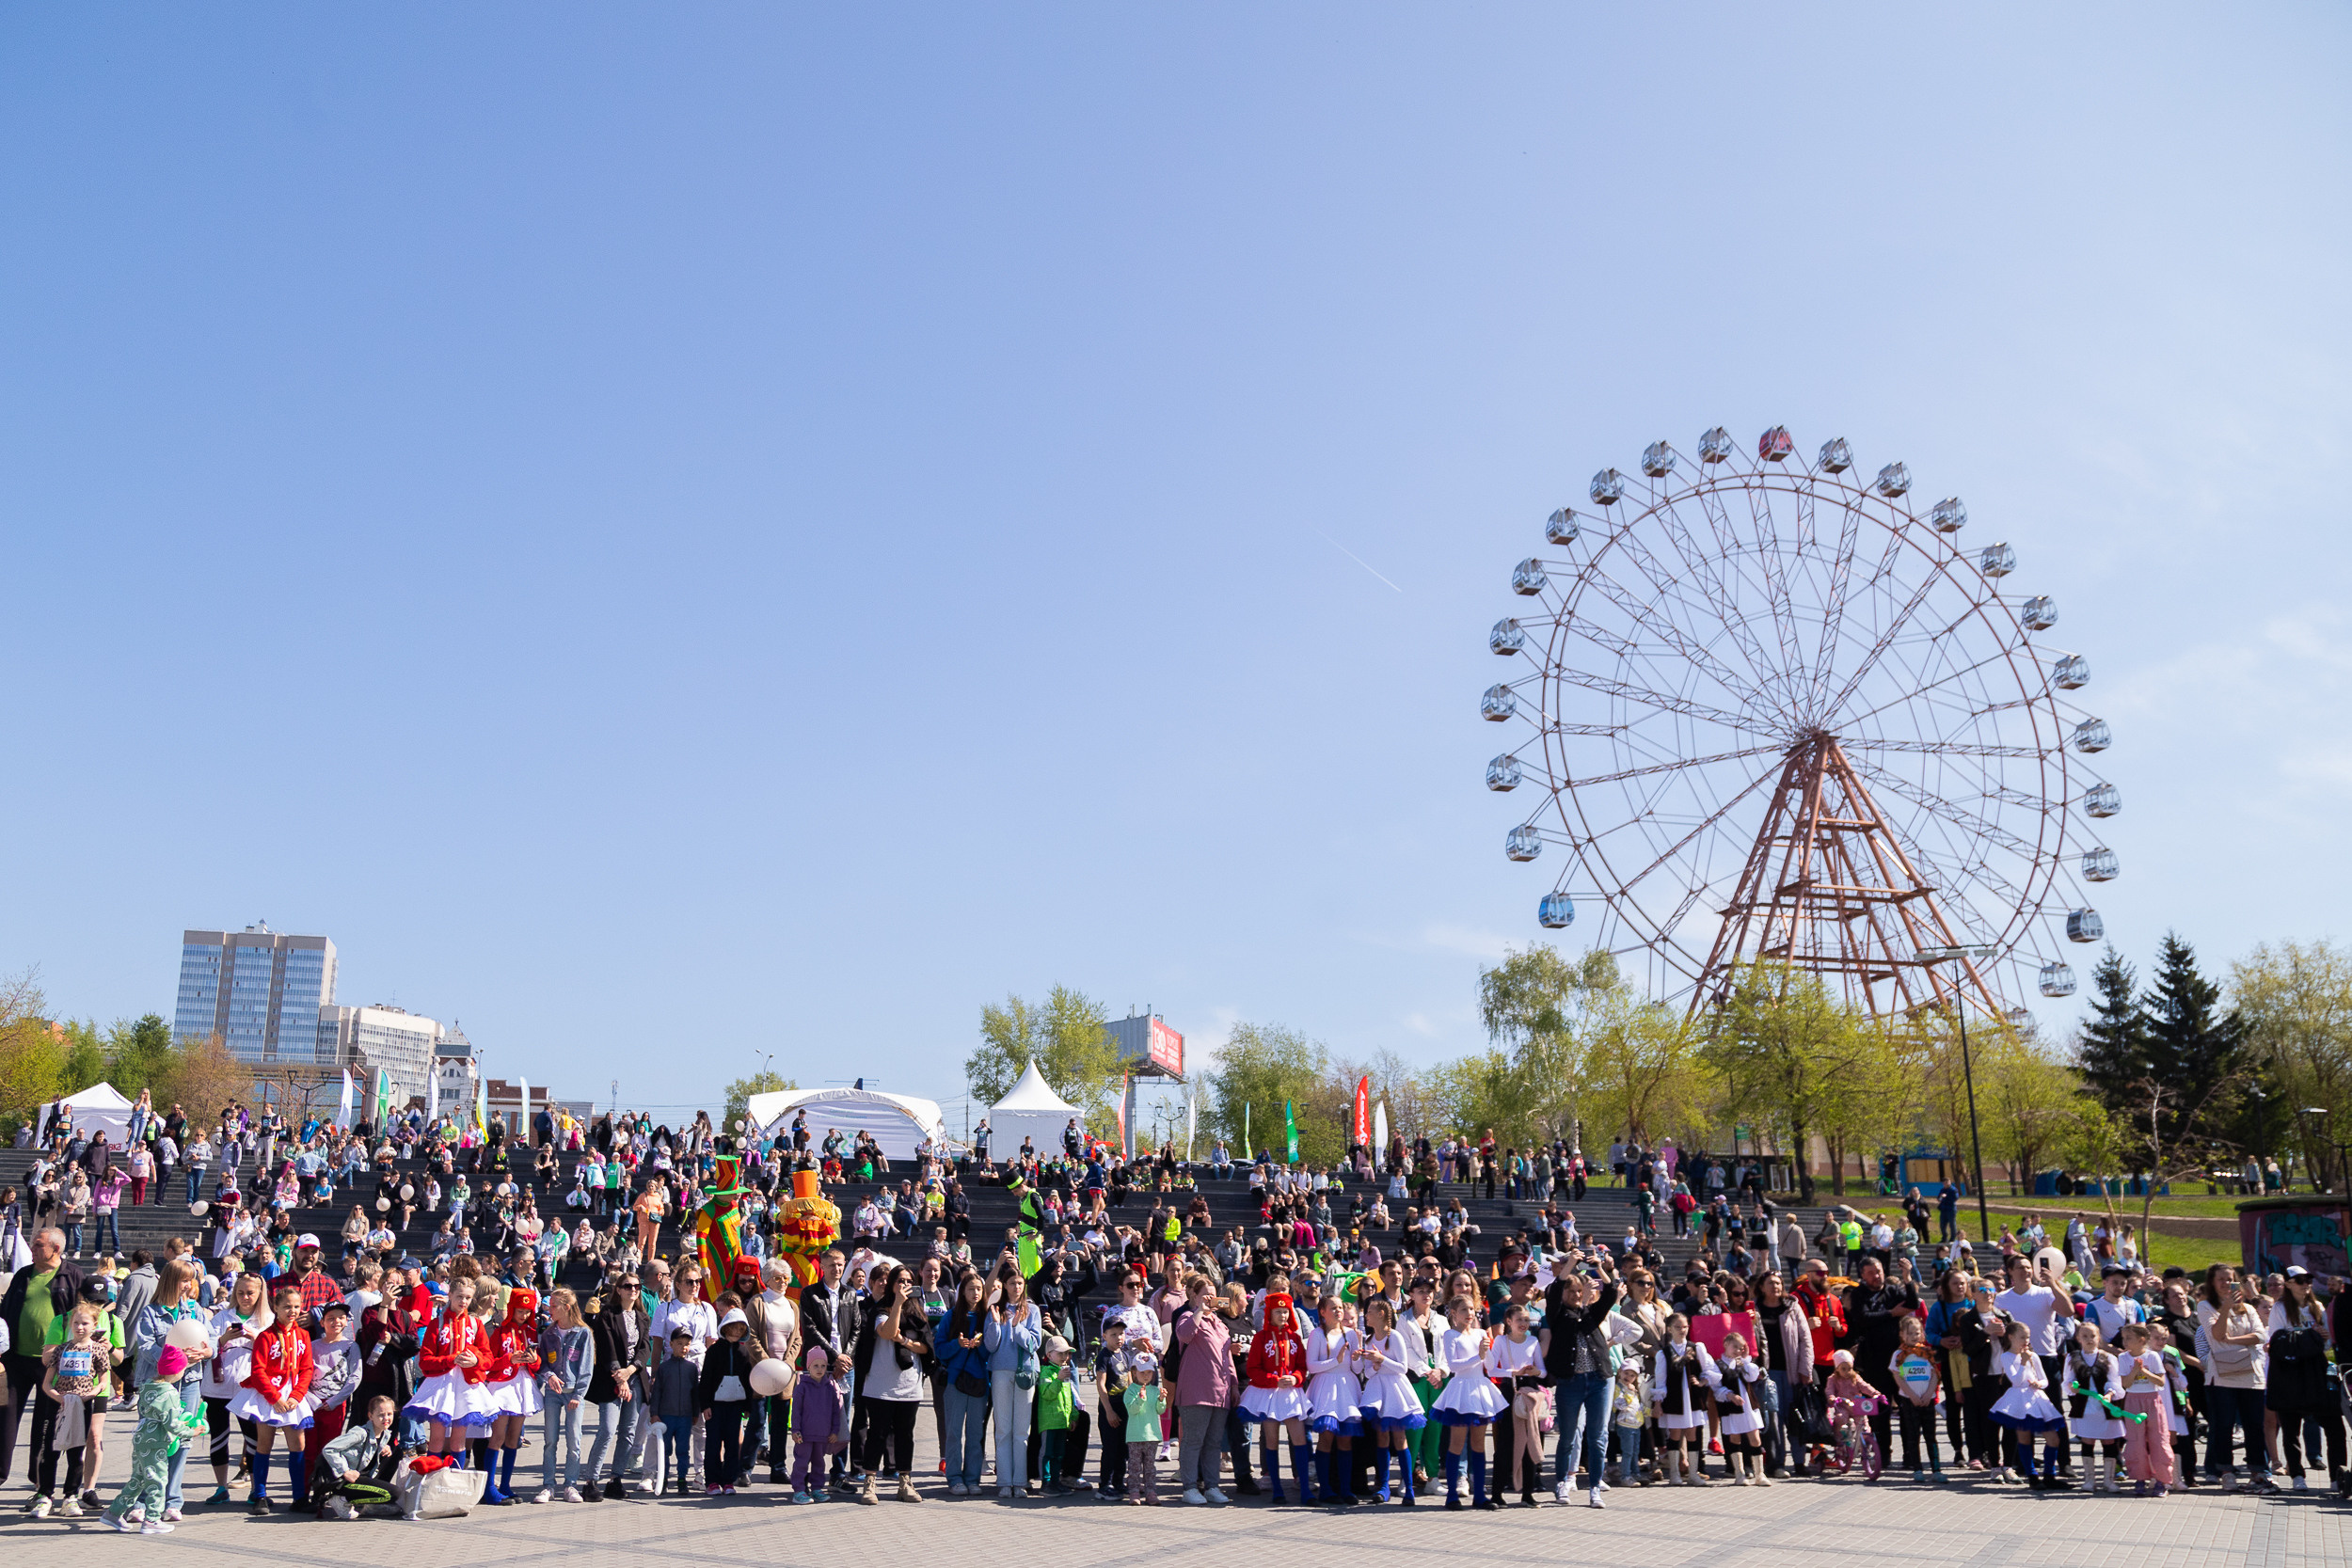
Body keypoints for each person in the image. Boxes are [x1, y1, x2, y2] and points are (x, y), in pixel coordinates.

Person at [99, 1343, 207, 1533]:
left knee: (138, 1480)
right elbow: (171, 1424)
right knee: (158, 1480)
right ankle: (152, 1520)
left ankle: (114, 1513)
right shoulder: (169, 1392)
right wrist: (192, 1432)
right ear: (177, 1371)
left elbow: (156, 1415)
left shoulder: (148, 1386)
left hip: (142, 1438)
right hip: (156, 1442)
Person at [1429, 1293, 1504, 1509]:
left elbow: (1489, 1365)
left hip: (1479, 1389)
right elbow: (1454, 1365)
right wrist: (1478, 1356)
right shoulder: (1451, 1335)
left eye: (1472, 1309)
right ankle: (1452, 1494)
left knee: (1479, 1445)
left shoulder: (1481, 1333)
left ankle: (1479, 1495)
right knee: (1456, 1443)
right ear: (1453, 1313)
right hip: (1461, 1390)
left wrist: (1487, 1351)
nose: (1469, 1313)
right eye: (1464, 1310)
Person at [983, 1261, 1042, 1498]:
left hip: (1024, 1372)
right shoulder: (995, 1308)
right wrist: (997, 1325)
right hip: (1000, 1371)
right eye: (1011, 1283)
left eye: (1020, 1283)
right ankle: (1004, 1481)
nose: (1016, 1287)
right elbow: (990, 1345)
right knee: (1003, 1429)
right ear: (1004, 1286)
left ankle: (1020, 1481)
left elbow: (1034, 1344)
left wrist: (1017, 1327)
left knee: (1021, 1430)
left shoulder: (1032, 1310)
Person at [1988, 1320, 2065, 1487]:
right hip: (2018, 1399)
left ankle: (2049, 1475)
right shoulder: (2006, 1356)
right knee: (2024, 1438)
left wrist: (2039, 1384)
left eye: (2028, 1337)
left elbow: (2045, 1380)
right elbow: (2016, 1380)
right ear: (2011, 1337)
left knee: (2053, 1438)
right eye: (2022, 1337)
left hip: (2036, 1397)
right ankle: (2032, 1477)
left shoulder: (2033, 1355)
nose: (2026, 1341)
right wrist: (2023, 1362)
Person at [311, 1394, 402, 1519]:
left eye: (389, 1414)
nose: (386, 1418)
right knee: (393, 1494)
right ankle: (341, 1499)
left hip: (362, 1476)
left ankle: (359, 1502)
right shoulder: (359, 1433)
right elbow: (329, 1449)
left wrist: (382, 1447)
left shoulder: (385, 1434)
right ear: (371, 1416)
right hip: (345, 1481)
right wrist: (345, 1471)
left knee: (396, 1453)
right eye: (381, 1415)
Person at [2116, 1323, 2177, 1497]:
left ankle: (2162, 1480)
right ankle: (2140, 1478)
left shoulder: (2153, 1356)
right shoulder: (2123, 1358)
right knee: (2135, 1441)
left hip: (2153, 1400)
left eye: (2129, 1338)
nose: (2125, 1342)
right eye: (2124, 1338)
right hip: (2133, 1401)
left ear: (2141, 1340)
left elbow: (2160, 1381)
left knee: (2159, 1439)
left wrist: (2144, 1371)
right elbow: (2126, 1384)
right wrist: (2135, 1370)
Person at [788, 1344, 844, 1504]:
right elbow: (796, 1411)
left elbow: (836, 1411)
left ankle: (817, 1488)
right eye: (815, 1365)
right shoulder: (802, 1387)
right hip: (804, 1435)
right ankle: (799, 1490)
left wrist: (835, 1431)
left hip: (822, 1434)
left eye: (823, 1366)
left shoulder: (830, 1388)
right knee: (801, 1463)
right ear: (808, 1367)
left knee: (819, 1463)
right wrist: (795, 1430)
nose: (819, 1369)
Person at [1124, 1353, 1166, 1505]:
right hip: (1135, 1435)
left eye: (1149, 1372)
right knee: (1134, 1467)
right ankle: (1134, 1491)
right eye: (1142, 1372)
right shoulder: (1131, 1390)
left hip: (1152, 1436)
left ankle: (1151, 1492)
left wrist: (1161, 1399)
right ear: (1134, 1372)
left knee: (1150, 1467)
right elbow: (1133, 1410)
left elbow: (1160, 1410)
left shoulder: (1155, 1390)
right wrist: (1141, 1399)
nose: (1146, 1376)